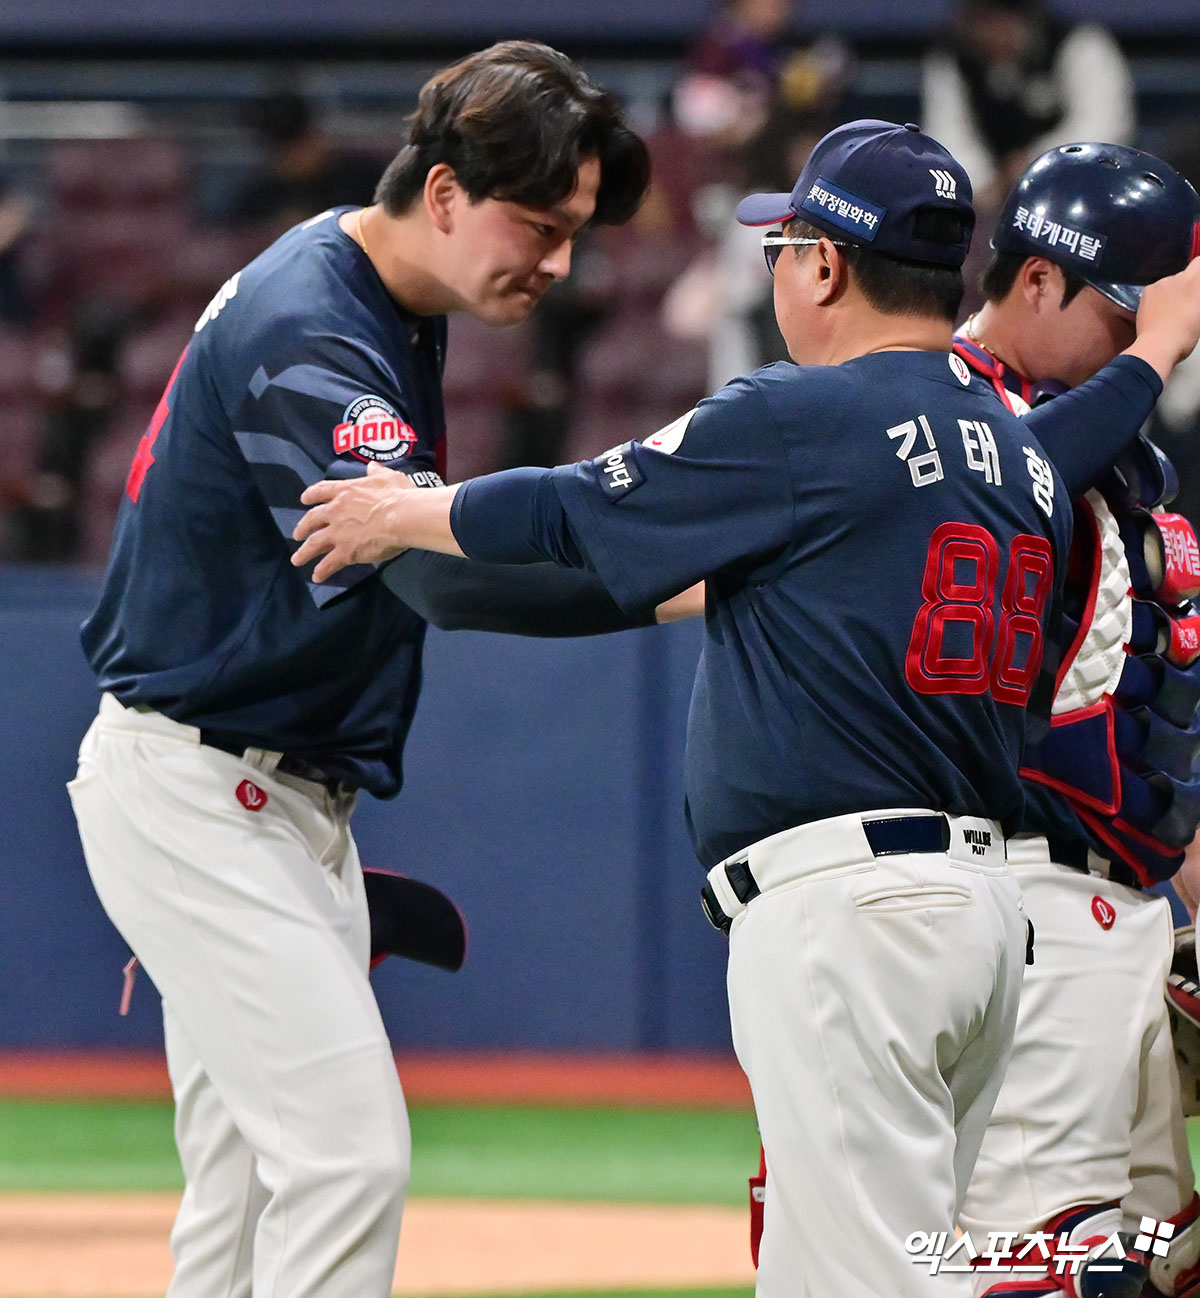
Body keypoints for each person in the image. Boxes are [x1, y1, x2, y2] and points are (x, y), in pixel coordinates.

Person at [296, 117, 1123, 1295]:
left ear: (827, 265)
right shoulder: (1023, 454)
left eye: (788, 241)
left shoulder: (802, 413)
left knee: (868, 1279)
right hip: (985, 909)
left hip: (858, 909)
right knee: (868, 1256)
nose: (778, 262)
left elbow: (577, 503)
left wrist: (405, 514)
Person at [65, 41, 667, 1298]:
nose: (560, 263)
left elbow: (413, 540)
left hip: (254, 792)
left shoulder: (375, 293)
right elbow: (433, 572)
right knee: (346, 1160)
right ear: (444, 192)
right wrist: (665, 579)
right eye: (540, 223)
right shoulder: (312, 321)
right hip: (202, 792)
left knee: (236, 1208)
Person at [951, 143, 1200, 1297]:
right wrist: (1152, 353)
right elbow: (996, 486)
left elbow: (1138, 712)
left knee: (1157, 1263)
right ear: (1040, 281)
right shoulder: (950, 418)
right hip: (1020, 900)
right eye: (1132, 311)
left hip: (1117, 908)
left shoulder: (1119, 453)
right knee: (1031, 1267)